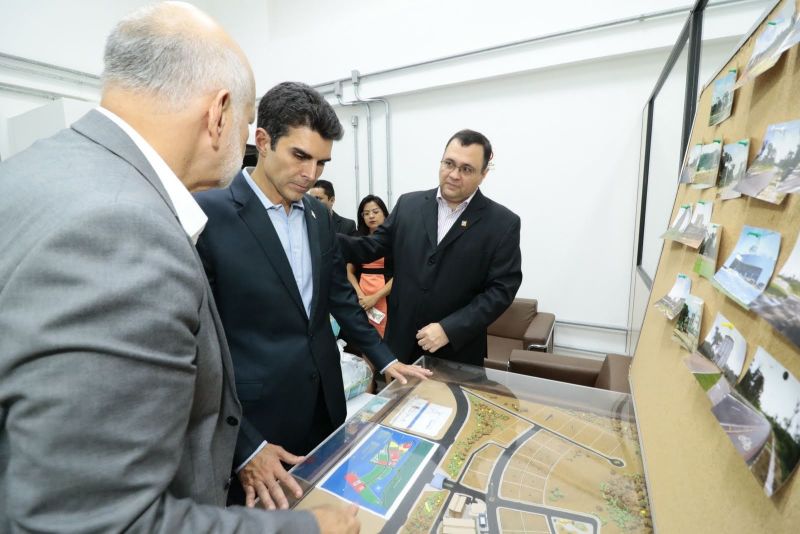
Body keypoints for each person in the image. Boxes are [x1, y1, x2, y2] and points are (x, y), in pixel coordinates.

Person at [0, 3, 361, 533]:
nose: (243, 142)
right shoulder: (121, 227)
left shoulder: (33, 169)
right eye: (245, 122)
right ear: (219, 113)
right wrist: (311, 529)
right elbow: (94, 520)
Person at [194, 81, 431, 510]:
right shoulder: (209, 215)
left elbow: (340, 297)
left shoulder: (320, 217)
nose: (311, 174)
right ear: (263, 141)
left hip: (325, 407)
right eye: (300, 156)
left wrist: (387, 359)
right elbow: (201, 349)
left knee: (323, 512)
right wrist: (244, 445)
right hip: (256, 421)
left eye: (321, 162)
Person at [338, 129, 522, 368]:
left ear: (484, 174)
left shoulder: (501, 223)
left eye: (466, 169)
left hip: (456, 351)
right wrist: (323, 237)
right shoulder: (408, 205)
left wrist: (450, 328)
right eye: (449, 163)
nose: (454, 175)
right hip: (401, 346)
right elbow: (371, 247)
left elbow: (501, 290)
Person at [346, 195, 393, 337]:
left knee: (387, 337)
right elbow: (349, 271)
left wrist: (375, 297)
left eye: (375, 212)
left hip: (387, 294)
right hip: (361, 294)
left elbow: (402, 274)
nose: (371, 216)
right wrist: (361, 295)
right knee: (363, 338)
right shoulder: (357, 238)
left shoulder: (396, 237)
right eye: (366, 213)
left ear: (384, 213)